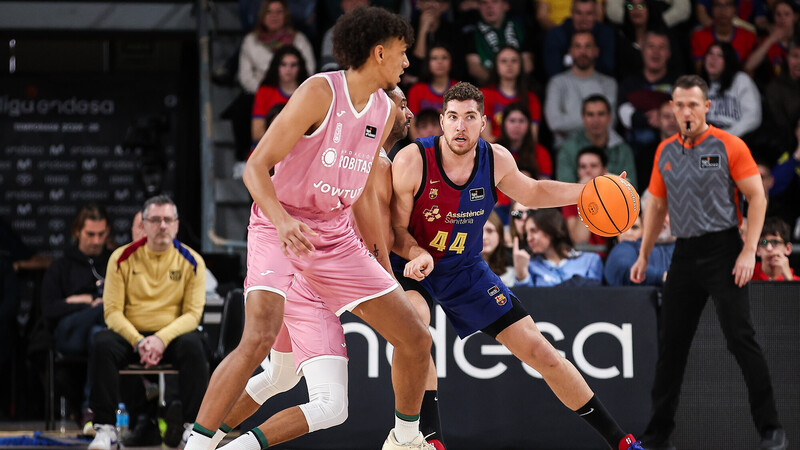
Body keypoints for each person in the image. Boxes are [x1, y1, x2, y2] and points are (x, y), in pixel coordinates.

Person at [184, 8, 436, 450]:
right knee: (259, 337)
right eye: (402, 52)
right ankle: (198, 445)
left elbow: (359, 197)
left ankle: (404, 440)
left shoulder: (381, 109)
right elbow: (256, 168)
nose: (407, 62)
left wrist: (383, 270)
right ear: (378, 53)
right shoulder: (319, 92)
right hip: (279, 223)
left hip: (335, 237)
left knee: (415, 336)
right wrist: (282, 223)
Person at [391, 81, 644, 450]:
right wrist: (417, 254)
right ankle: (430, 442)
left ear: (484, 123)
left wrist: (589, 189)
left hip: (465, 268)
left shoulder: (496, 159)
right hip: (415, 265)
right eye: (453, 117)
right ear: (442, 122)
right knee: (417, 335)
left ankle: (622, 443)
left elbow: (534, 192)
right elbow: (395, 231)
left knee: (542, 352)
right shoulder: (413, 159)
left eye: (470, 117)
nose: (461, 126)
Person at [630, 75, 787, 450]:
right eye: (678, 104)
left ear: (706, 108)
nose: (685, 111)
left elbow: (757, 197)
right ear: (672, 107)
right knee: (672, 345)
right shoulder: (665, 150)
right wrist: (644, 253)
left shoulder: (729, 144)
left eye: (692, 105)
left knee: (741, 338)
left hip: (723, 249)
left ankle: (771, 429)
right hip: (684, 251)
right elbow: (656, 205)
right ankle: (657, 435)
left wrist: (748, 250)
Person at [87, 195, 209, 450]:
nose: (162, 225)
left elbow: (193, 314)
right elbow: (112, 312)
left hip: (171, 336)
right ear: (143, 224)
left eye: (167, 220)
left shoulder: (193, 261)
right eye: (155, 220)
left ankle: (193, 429)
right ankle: (106, 429)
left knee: (195, 345)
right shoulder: (121, 258)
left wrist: (160, 339)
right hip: (133, 335)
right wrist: (140, 340)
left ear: (176, 224)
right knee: (102, 342)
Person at [40, 204, 110, 423]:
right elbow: (49, 309)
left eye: (101, 234)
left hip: (102, 332)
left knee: (99, 336)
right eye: (90, 234)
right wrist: (85, 303)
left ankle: (91, 411)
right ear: (77, 232)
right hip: (67, 334)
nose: (96, 241)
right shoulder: (61, 266)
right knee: (104, 311)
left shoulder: (114, 262)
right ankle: (145, 383)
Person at [544, 31, 618, 146]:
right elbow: (554, 123)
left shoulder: (609, 84)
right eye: (578, 46)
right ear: (570, 51)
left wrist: (567, 126)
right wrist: (596, 122)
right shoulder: (557, 83)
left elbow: (610, 123)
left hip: (600, 149)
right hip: (565, 151)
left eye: (588, 46)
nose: (583, 52)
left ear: (596, 51)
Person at [556, 94, 637, 188]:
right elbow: (564, 189)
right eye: (590, 114)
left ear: (609, 117)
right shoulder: (568, 149)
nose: (596, 120)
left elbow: (631, 189)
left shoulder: (623, 150)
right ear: (583, 117)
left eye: (601, 114)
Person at [514, 208, 604, 287]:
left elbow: (595, 297)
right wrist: (521, 274)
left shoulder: (590, 260)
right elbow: (526, 301)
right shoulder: (531, 266)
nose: (529, 238)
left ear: (550, 229)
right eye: (527, 234)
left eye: (534, 231)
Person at [463, 0, 535, 85]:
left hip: (519, 86)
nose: (489, 7)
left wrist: (512, 85)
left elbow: (528, 65)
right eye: (484, 3)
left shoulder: (522, 29)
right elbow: (474, 68)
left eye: (495, 2)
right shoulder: (471, 34)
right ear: (478, 7)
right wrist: (499, 87)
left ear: (506, 5)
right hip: (488, 88)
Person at [251, 45, 309, 148]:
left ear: (300, 67)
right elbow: (257, 134)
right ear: (276, 66)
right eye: (283, 64)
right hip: (268, 149)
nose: (288, 69)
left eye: (293, 65)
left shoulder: (308, 93)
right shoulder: (265, 91)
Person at [479, 46, 542, 142]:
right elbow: (486, 138)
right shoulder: (484, 95)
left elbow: (533, 138)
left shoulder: (531, 97)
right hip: (493, 151)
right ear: (496, 66)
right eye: (504, 61)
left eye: (514, 61)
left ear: (521, 65)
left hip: (523, 153)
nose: (509, 65)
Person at [700, 42, 762, 138]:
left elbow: (753, 117)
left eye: (720, 55)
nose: (713, 58)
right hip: (706, 139)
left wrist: (728, 135)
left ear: (728, 61)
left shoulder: (741, 80)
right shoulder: (699, 85)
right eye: (710, 53)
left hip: (736, 138)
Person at [542, 0, 616, 78]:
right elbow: (554, 73)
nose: (583, 19)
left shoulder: (606, 34)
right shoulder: (556, 35)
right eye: (578, 13)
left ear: (595, 15)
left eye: (589, 14)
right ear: (571, 13)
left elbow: (607, 70)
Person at [561, 147, 612, 249]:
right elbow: (579, 240)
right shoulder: (569, 198)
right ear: (578, 171)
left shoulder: (614, 195)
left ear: (604, 171)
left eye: (593, 166)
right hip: (583, 256)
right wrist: (586, 196)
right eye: (583, 167)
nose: (588, 171)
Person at [690, 0, 757, 74]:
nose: (723, 10)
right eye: (718, 5)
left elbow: (748, 73)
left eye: (728, 5)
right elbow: (700, 72)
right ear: (711, 9)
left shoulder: (748, 37)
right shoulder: (699, 36)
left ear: (735, 9)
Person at [744, 0, 799, 81]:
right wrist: (771, 40)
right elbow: (748, 67)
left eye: (787, 14)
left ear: (795, 16)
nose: (782, 18)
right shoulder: (767, 41)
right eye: (778, 14)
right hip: (775, 89)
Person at [407, 45, 458, 115]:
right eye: (434, 58)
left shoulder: (459, 89)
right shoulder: (416, 90)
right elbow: (412, 122)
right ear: (427, 62)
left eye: (444, 57)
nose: (440, 62)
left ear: (451, 61)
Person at [482, 211, 515, 286]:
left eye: (490, 231)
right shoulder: (462, 266)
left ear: (500, 235)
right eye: (479, 232)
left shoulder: (511, 265)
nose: (484, 237)